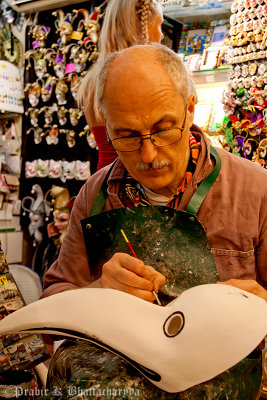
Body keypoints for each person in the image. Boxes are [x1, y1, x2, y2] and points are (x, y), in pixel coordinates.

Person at [41, 44, 267, 398]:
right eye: (127, 136)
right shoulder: (94, 194)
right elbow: (55, 296)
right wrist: (99, 291)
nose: (149, 154)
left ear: (190, 110)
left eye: (163, 130)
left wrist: (261, 305)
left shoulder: (255, 191)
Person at [77, 0, 164, 171]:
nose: (161, 35)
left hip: (103, 181)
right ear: (142, 26)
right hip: (139, 178)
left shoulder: (92, 79)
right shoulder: (141, 77)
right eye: (159, 26)